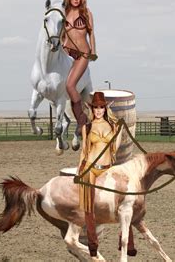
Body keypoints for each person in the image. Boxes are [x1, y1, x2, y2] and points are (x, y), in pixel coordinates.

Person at [75, 91, 121, 257]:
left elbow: (116, 145)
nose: (99, 110)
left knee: (126, 197)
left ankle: (125, 238)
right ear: (92, 109)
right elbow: (83, 151)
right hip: (91, 167)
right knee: (89, 205)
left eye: (102, 107)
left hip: (108, 167)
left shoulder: (113, 126)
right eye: (96, 107)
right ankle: (93, 244)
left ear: (105, 109)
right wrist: (80, 168)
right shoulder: (86, 127)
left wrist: (119, 129)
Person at [61, 0, 97, 136]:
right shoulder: (63, 12)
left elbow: (91, 33)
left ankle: (81, 122)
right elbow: (60, 33)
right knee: (61, 84)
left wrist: (93, 51)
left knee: (70, 85)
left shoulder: (87, 13)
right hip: (66, 52)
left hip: (82, 54)